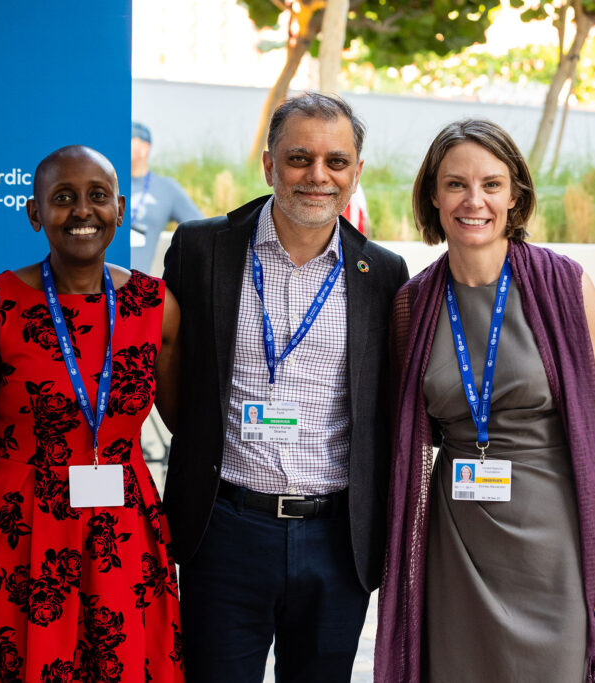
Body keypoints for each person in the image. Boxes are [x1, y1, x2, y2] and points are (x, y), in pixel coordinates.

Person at [375, 120, 595, 683]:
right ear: (433, 196)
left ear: (514, 195)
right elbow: (407, 437)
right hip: (457, 542)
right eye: (456, 185)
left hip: (555, 541)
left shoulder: (566, 286)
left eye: (491, 185)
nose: (475, 201)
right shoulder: (412, 304)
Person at [162, 92, 409, 682]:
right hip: (224, 529)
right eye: (299, 158)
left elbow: (384, 407)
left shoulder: (384, 275)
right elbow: (169, 375)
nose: (318, 176)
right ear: (269, 164)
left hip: (336, 538)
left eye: (337, 162)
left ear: (356, 174)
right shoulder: (201, 250)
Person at [0, 145, 184, 683]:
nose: (82, 211)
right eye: (63, 198)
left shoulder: (155, 305)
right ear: (34, 213)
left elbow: (193, 424)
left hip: (123, 543)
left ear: (119, 208)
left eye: (97, 197)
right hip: (18, 543)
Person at [129, 121, 205, 274]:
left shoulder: (166, 188)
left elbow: (201, 228)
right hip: (99, 283)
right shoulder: (108, 183)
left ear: (145, 148)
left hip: (137, 288)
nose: (124, 144)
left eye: (130, 139)